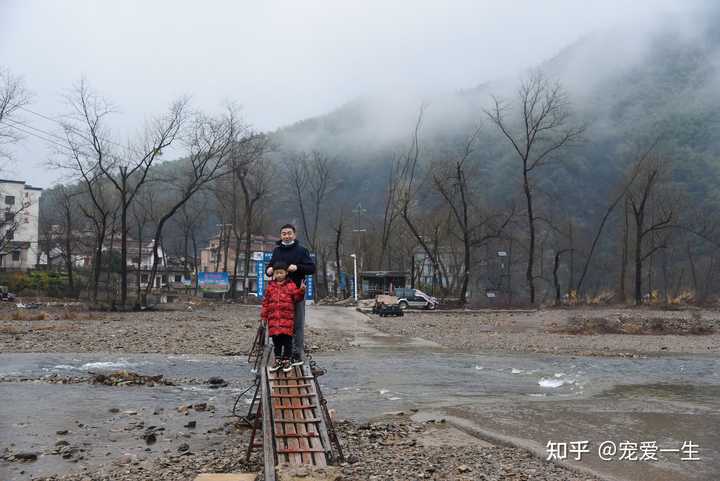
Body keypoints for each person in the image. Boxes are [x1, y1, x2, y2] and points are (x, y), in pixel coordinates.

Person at [265, 224, 315, 365]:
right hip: (278, 294)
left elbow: (312, 268)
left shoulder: (301, 251)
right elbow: (270, 267)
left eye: (289, 233)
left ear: (294, 234)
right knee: (279, 322)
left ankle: (297, 353)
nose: (286, 236)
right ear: (281, 236)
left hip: (296, 293)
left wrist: (298, 267)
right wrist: (268, 269)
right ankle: (281, 354)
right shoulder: (277, 251)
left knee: (297, 324)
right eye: (284, 234)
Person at [260, 262, 306, 373]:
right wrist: (263, 317)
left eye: (281, 272)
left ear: (286, 273)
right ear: (274, 274)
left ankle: (286, 361)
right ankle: (278, 360)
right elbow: (265, 303)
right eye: (277, 273)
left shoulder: (291, 285)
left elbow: (296, 297)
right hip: (274, 321)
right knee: (277, 343)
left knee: (287, 342)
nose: (279, 275)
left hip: (287, 320)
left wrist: (302, 291)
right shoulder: (270, 287)